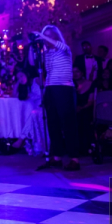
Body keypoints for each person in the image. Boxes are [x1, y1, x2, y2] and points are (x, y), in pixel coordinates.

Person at [35, 25, 81, 171]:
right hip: (50, 88)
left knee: (68, 123)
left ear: (55, 36)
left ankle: (74, 159)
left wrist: (43, 36)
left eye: (49, 35)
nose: (47, 38)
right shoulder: (46, 53)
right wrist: (34, 46)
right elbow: (32, 62)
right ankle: (57, 158)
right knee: (52, 123)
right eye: (45, 35)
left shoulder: (64, 49)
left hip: (64, 88)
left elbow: (58, 45)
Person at [73, 65, 95, 154]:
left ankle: (85, 147)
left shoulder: (90, 83)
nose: (75, 74)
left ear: (82, 73)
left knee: (84, 116)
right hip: (73, 109)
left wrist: (81, 107)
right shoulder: (69, 84)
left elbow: (91, 100)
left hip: (86, 108)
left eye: (77, 71)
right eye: (73, 72)